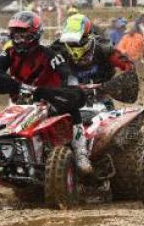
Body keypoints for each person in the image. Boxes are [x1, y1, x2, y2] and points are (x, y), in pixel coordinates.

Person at [50, 14, 134, 173]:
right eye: (70, 41)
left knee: (111, 135)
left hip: (100, 98)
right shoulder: (57, 49)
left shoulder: (104, 48)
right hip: (69, 99)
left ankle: (116, 165)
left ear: (88, 36)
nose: (73, 44)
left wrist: (121, 81)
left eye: (77, 40)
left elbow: (128, 66)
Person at [0, 11, 61, 88]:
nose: (21, 41)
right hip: (19, 97)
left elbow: (67, 75)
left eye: (27, 37)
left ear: (36, 36)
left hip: (45, 97)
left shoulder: (49, 54)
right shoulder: (10, 52)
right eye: (17, 37)